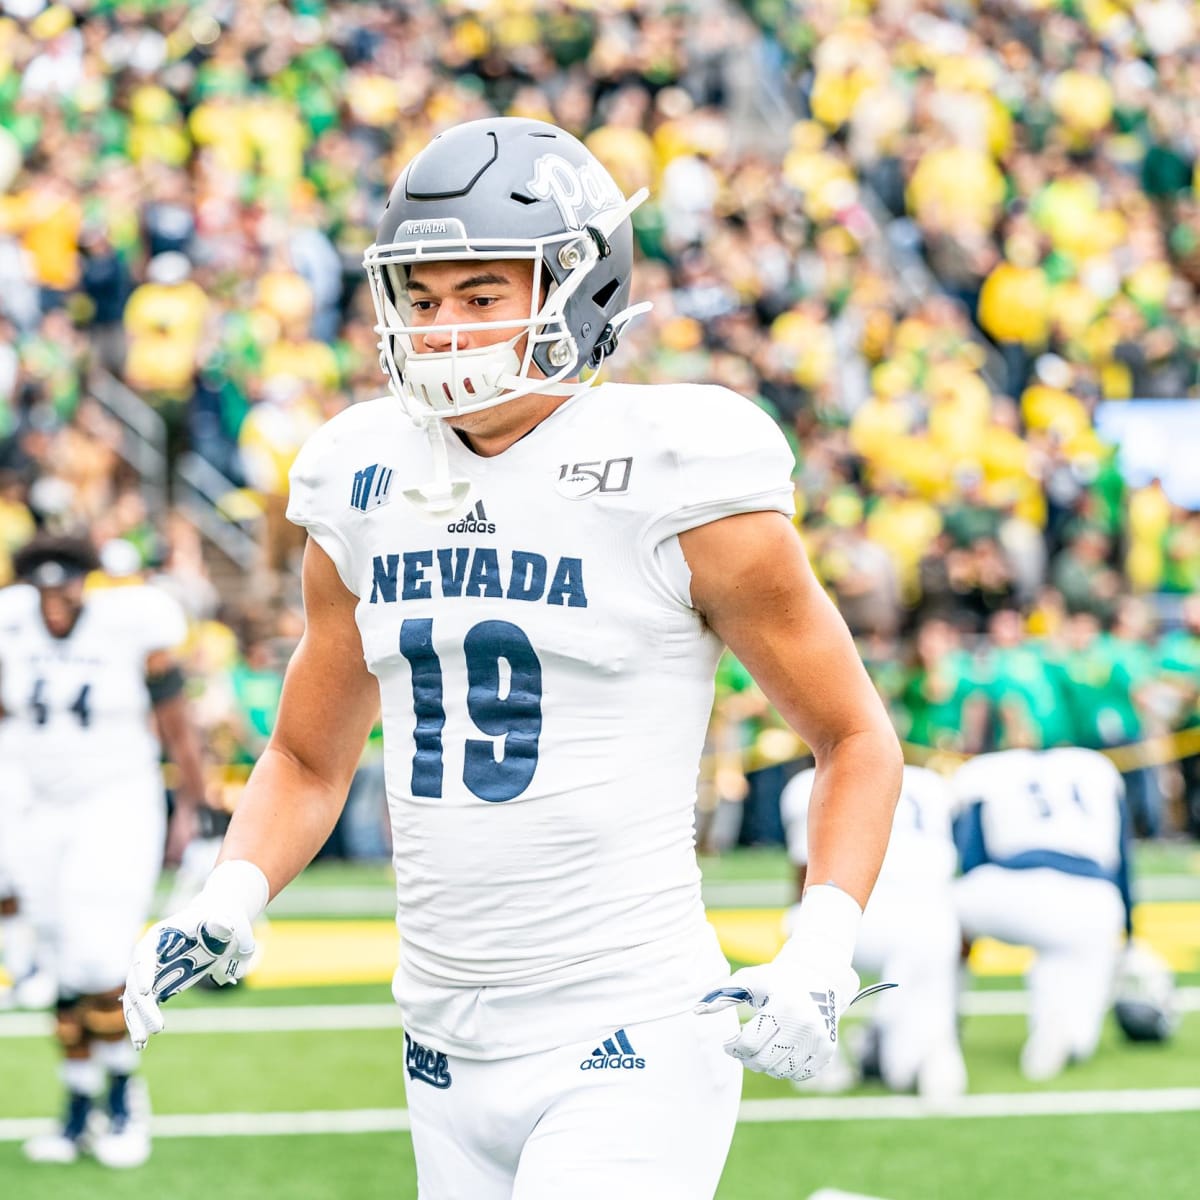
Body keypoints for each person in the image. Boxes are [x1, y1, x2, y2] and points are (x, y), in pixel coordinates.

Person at [122, 117, 902, 1198]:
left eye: (482, 296)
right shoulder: (361, 478)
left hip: (627, 1018)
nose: (443, 330)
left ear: (578, 289)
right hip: (439, 1034)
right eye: (423, 299)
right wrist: (229, 894)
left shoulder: (678, 471)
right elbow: (307, 759)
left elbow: (853, 736)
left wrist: (822, 943)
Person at [0, 532, 205, 1168]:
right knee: (58, 958)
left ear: (84, 584)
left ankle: (123, 1097)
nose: (55, 601)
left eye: (67, 586)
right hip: (38, 804)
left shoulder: (130, 623)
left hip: (115, 802)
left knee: (98, 955)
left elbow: (174, 716)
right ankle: (77, 1105)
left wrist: (194, 803)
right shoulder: (11, 623)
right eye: (45, 588)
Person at [781, 762, 967, 1100]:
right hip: (932, 919)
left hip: (856, 916)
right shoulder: (930, 783)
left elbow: (805, 877)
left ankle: (819, 1057)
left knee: (797, 921)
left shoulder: (807, 782)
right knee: (920, 1050)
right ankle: (924, 1049)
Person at [951, 741, 1132, 1082]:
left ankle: (939, 1020)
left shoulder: (985, 770)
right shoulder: (1098, 767)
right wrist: (1132, 935)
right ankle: (1060, 1031)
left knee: (938, 918)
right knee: (1075, 1014)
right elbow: (1123, 862)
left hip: (1009, 886)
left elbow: (970, 858)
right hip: (1091, 897)